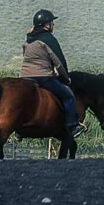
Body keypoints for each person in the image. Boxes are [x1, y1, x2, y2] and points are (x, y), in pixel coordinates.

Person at [21, 9, 83, 139]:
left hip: (25, 77)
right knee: (68, 96)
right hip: (43, 77)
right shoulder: (48, 39)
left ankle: (19, 130)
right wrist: (66, 78)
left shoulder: (28, 40)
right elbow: (59, 61)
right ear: (46, 25)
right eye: (51, 22)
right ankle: (72, 126)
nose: (53, 25)